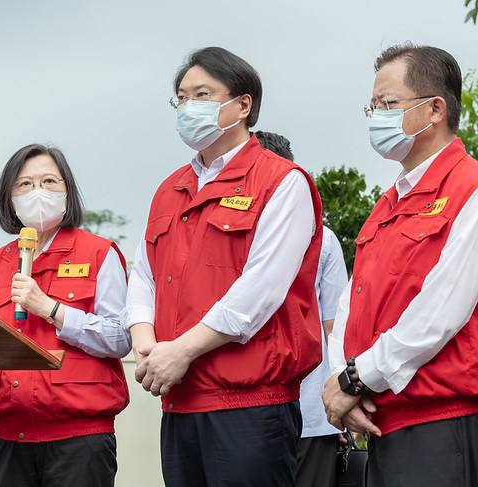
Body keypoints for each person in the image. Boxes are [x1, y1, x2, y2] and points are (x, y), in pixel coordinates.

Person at [127, 47, 323, 487]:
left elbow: (261, 289)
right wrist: (146, 343)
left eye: (202, 95)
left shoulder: (281, 181)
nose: (188, 107)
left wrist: (182, 351)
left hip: (249, 404)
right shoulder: (169, 190)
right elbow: (143, 275)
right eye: (181, 98)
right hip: (180, 400)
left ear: (243, 104)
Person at [324, 44, 478, 487]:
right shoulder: (389, 203)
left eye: (388, 104)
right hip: (384, 421)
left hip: (439, 424)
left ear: (435, 109)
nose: (376, 116)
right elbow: (353, 301)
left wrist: (356, 379)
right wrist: (341, 379)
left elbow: (439, 313)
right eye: (373, 106)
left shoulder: (469, 188)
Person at [0, 143, 130, 487]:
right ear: (9, 199)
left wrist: (52, 309)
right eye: (25, 184)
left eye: (49, 181)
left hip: (78, 437)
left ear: (68, 191)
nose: (37, 191)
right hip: (5, 436)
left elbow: (120, 337)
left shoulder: (99, 253)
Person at [256, 131, 348, 487]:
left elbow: (335, 328)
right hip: (251, 408)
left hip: (310, 410)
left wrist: (341, 400)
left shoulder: (323, 239)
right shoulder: (229, 234)